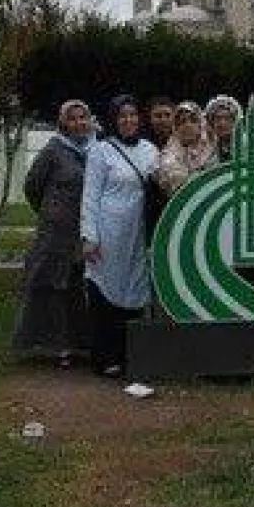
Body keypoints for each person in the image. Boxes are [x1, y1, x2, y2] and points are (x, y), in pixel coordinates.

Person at [80, 95, 158, 376]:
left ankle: (131, 356)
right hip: (109, 230)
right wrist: (89, 236)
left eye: (133, 114)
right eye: (122, 115)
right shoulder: (101, 151)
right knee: (105, 291)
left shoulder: (150, 150)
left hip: (138, 231)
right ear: (114, 119)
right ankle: (105, 357)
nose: (129, 120)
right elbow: (90, 195)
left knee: (136, 290)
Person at [12, 99, 94, 365]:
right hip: (57, 232)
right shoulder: (54, 150)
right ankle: (57, 346)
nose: (79, 123)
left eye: (83, 118)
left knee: (80, 287)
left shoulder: (97, 149)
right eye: (73, 118)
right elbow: (32, 186)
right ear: (63, 122)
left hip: (86, 230)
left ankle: (82, 342)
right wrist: (50, 211)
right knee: (54, 286)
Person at [155, 101, 215, 195]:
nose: (188, 125)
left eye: (193, 121)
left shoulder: (214, 149)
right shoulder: (167, 156)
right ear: (176, 127)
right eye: (182, 121)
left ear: (201, 124)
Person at [204, 95, 242, 163]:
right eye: (218, 118)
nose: (222, 123)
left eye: (227, 118)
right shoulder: (206, 147)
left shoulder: (243, 144)